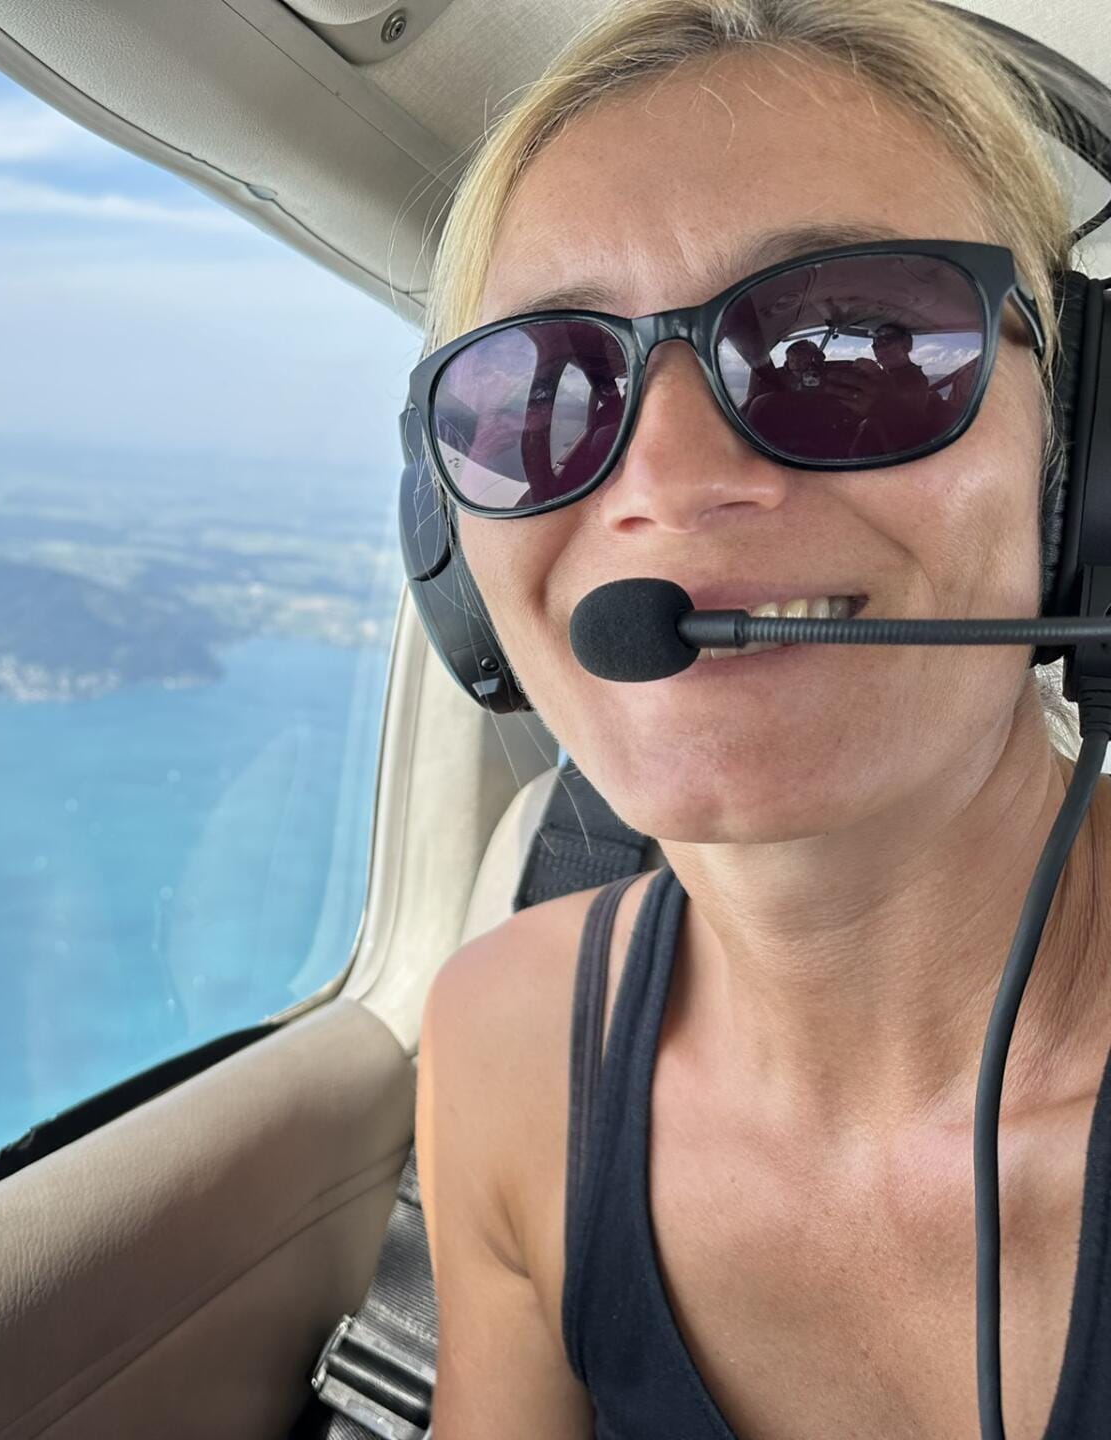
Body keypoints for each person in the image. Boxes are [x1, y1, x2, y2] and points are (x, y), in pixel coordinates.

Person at [411, 2, 1107, 1437]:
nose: (662, 480)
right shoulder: (506, 1045)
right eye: (544, 393)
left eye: (849, 345)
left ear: (1084, 461)